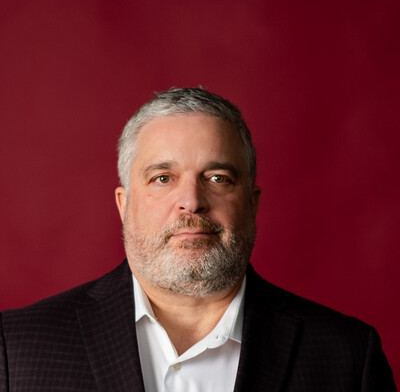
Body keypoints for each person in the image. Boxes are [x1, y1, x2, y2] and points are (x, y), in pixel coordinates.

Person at [0, 88, 396, 391]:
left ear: (252, 203)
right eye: (163, 178)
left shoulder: (347, 357)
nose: (191, 201)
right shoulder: (16, 350)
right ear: (124, 204)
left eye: (218, 178)